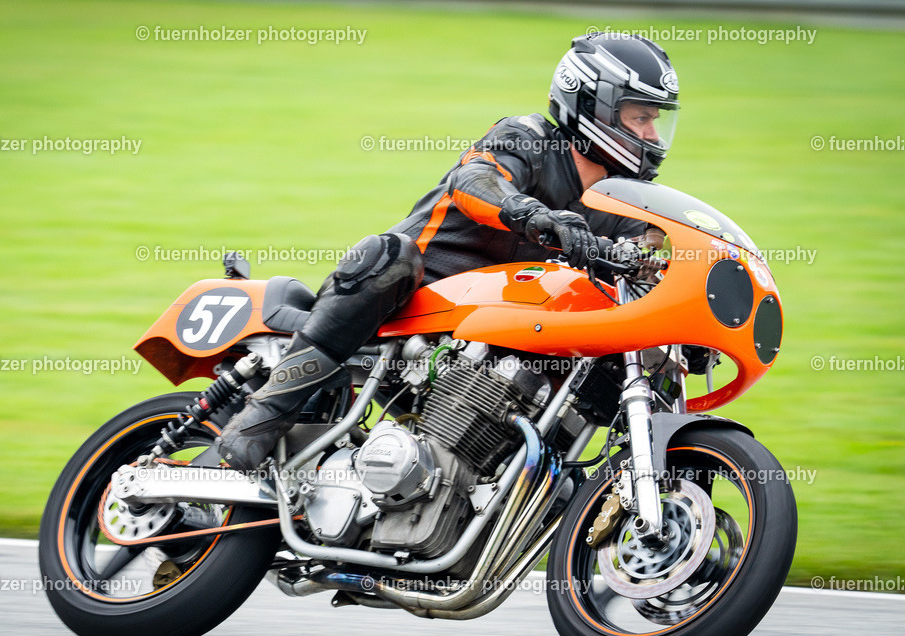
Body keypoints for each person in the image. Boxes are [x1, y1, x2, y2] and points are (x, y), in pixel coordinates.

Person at [213, 32, 681, 472]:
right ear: (593, 105)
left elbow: (646, 262)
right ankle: (263, 415)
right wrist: (531, 214)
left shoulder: (627, 202)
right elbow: (473, 182)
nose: (653, 137)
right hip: (413, 300)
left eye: (656, 120)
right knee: (388, 255)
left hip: (500, 333)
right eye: (640, 118)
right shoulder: (526, 138)